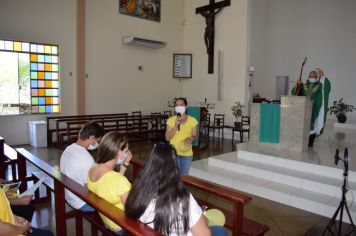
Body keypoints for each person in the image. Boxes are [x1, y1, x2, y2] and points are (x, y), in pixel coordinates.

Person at [126, 143, 227, 236]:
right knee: (220, 230)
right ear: (174, 167)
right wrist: (203, 220)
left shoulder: (138, 191)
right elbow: (205, 234)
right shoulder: (181, 198)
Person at [87, 131, 132, 235]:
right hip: (120, 226)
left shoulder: (92, 167)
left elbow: (112, 185)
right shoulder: (119, 181)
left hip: (106, 219)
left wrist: (124, 165)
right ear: (118, 153)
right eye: (126, 150)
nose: (127, 153)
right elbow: (132, 212)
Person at [59, 121, 104, 212]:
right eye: (98, 141)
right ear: (91, 138)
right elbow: (91, 188)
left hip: (68, 194)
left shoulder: (69, 148)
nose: (98, 144)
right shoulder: (87, 158)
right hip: (80, 202)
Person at [292, 68, 331, 147]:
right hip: (304, 109)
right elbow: (296, 94)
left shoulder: (320, 86)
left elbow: (326, 88)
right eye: (310, 76)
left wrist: (323, 76)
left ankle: (311, 141)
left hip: (315, 108)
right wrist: (298, 85)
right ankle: (303, 140)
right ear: (308, 77)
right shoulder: (304, 86)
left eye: (313, 76)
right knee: (304, 125)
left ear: (316, 77)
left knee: (313, 125)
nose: (311, 78)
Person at [165, 97, 198, 175]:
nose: (178, 107)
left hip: (187, 154)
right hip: (173, 154)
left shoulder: (193, 120)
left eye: (181, 105)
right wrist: (176, 125)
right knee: (174, 177)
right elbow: (167, 138)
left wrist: (190, 138)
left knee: (184, 177)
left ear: (186, 107)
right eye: (177, 105)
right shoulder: (170, 120)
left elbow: (194, 136)